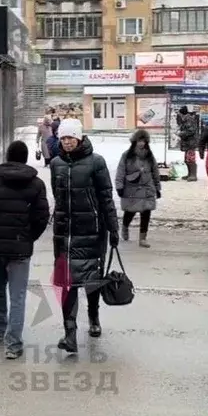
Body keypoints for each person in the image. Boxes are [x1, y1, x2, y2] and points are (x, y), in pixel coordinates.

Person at [0, 141, 50, 359]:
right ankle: (13, 344)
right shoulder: (36, 184)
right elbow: (42, 217)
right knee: (18, 295)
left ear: (7, 156)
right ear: (25, 158)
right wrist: (28, 237)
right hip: (21, 249)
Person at [50, 118, 119, 352]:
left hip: (91, 231)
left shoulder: (96, 163)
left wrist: (113, 228)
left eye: (71, 137)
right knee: (66, 284)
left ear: (79, 138)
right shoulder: (56, 164)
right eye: (63, 138)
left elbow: (106, 198)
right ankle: (69, 334)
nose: (67, 142)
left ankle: (94, 317)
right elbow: (57, 194)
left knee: (91, 281)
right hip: (64, 234)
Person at [115, 129, 162, 248]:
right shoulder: (127, 155)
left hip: (147, 188)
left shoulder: (149, 156)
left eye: (144, 141)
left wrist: (157, 187)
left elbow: (155, 171)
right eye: (139, 141)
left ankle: (143, 238)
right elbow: (121, 171)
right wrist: (119, 186)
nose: (142, 143)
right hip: (132, 189)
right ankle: (125, 227)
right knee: (129, 212)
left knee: (146, 214)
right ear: (135, 141)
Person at [176, 106, 200, 182]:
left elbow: (191, 131)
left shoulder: (188, 119)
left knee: (190, 159)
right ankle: (189, 174)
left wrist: (181, 133)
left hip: (191, 143)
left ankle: (193, 175)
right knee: (187, 159)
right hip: (188, 143)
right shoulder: (186, 119)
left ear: (181, 113)